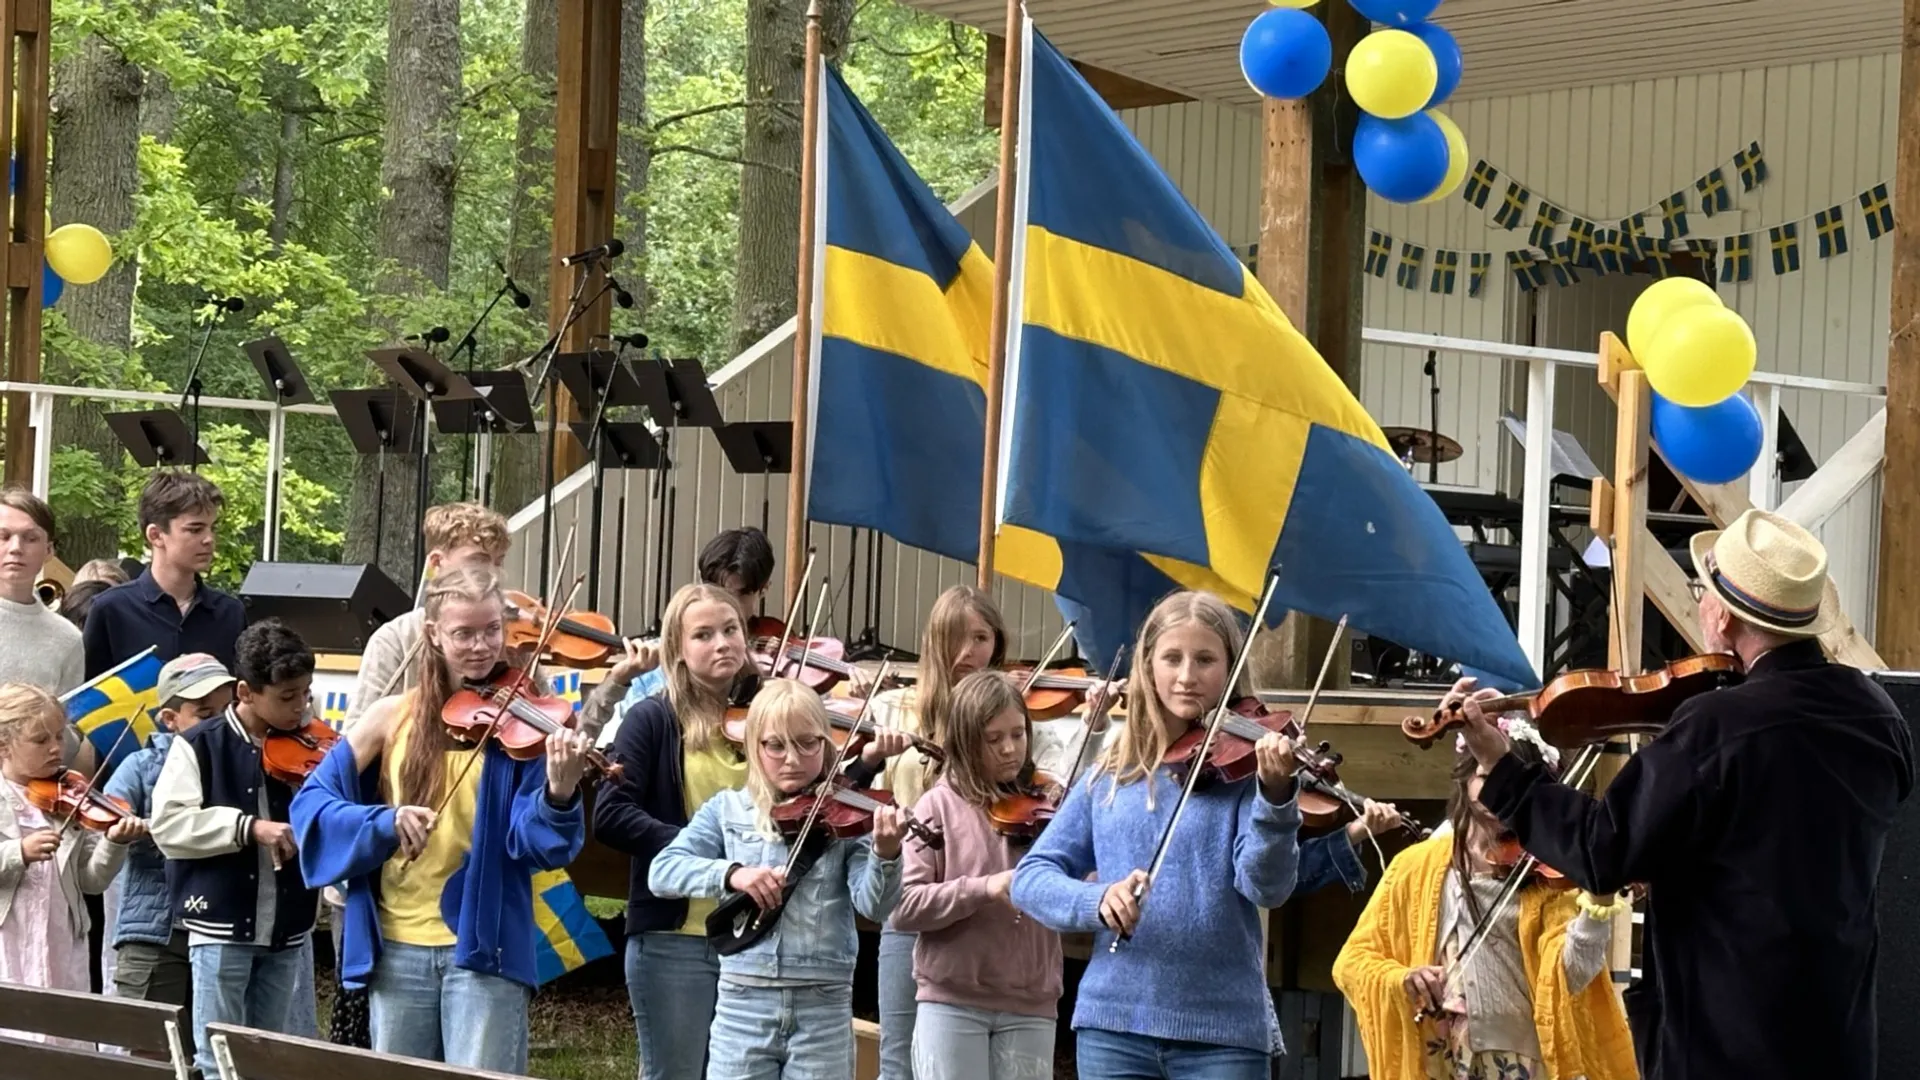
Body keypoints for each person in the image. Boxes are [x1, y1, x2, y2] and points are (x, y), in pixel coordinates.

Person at [1456, 508, 1913, 1080]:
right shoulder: (1878, 716)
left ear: (1722, 616)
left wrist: (1503, 771)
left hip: (1728, 1044)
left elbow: (1603, 851)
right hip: (1837, 1038)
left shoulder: (1716, 725)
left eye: (1701, 590)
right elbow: (1785, 837)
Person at [290, 566, 589, 1072]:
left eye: (491, 630)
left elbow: (539, 846)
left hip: (486, 944)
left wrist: (559, 794)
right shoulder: (391, 717)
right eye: (463, 633)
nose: (480, 646)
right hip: (398, 944)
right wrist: (382, 823)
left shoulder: (523, 723)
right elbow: (312, 805)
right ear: (432, 633)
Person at [1010, 590, 1301, 1079]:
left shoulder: (1245, 774)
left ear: (1229, 669)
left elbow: (1267, 888)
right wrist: (1097, 900)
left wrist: (1275, 799)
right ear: (1148, 667)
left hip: (1224, 1033)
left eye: (1205, 659)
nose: (1187, 676)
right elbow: (1031, 877)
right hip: (1113, 1025)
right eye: (1172, 658)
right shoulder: (1110, 776)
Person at [1333, 729, 1636, 1080]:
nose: (1496, 792)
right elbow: (1352, 962)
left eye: (1509, 780)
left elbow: (1572, 974)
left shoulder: (1547, 872)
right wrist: (1402, 978)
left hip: (1521, 1060)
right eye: (1483, 775)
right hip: (1436, 1058)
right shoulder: (1414, 866)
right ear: (1464, 780)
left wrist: (1597, 906)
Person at [649, 678, 903, 1080]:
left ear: (828, 745)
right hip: (742, 1001)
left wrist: (886, 854)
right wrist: (732, 874)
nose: (792, 759)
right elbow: (662, 871)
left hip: (823, 1002)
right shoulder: (728, 809)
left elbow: (874, 905)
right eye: (776, 745)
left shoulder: (846, 815)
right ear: (753, 747)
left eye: (808, 743)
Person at [594, 583, 755, 1080]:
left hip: (751, 936)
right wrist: (697, 853)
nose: (722, 643)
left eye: (731, 630)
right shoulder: (652, 718)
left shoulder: (764, 718)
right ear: (678, 652)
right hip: (675, 937)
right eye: (703, 635)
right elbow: (611, 814)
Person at [149, 619, 320, 1076]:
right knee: (217, 1058)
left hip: (287, 925)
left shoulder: (313, 742)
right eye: (287, 697)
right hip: (220, 923)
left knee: (268, 1056)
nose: (300, 707)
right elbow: (168, 826)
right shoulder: (199, 745)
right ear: (245, 692)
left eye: (305, 693)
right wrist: (248, 828)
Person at [891, 670, 1061, 1080]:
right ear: (967, 743)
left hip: (1032, 1001)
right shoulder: (937, 807)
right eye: (993, 738)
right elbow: (905, 908)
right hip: (952, 1001)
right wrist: (984, 888)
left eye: (1018, 735)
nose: (1010, 749)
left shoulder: (1050, 803)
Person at [102, 654, 235, 1050]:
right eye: (204, 713)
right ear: (170, 719)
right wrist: (124, 827)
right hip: (157, 932)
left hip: (225, 930)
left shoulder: (243, 761)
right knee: (153, 1050)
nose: (218, 722)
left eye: (227, 710)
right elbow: (110, 808)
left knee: (218, 1053)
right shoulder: (140, 765)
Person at [0, 683, 141, 1043]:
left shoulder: (70, 797)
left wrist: (114, 842)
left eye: (59, 737)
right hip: (8, 941)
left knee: (63, 1041)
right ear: (4, 746)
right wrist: (18, 852)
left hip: (61, 939)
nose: (55, 748)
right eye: (40, 739)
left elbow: (91, 881)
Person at [83, 471, 245, 677]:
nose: (209, 539)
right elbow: (89, 699)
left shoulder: (230, 613)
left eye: (213, 528)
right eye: (195, 529)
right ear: (156, 535)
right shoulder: (111, 610)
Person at [615, 526, 775, 713]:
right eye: (717, 590)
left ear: (764, 590)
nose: (725, 603)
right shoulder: (652, 671)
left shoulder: (769, 670)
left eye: (740, 594)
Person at [0, 488, 84, 695]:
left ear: (48, 551)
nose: (16, 548)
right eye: (4, 536)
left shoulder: (66, 639)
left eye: (31, 538)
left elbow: (69, 721)